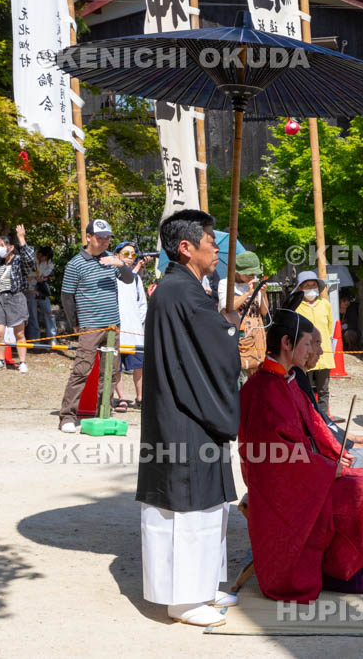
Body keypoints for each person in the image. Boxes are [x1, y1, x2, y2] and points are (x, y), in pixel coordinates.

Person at [238, 309, 363, 602]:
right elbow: (273, 453)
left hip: (308, 475)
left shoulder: (287, 380)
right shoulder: (263, 388)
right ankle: (355, 577)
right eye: (308, 344)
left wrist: (336, 453)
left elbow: (316, 426)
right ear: (287, 343)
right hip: (282, 489)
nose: (312, 351)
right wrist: (327, 469)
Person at [136, 210, 242, 627]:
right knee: (185, 508)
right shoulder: (179, 292)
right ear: (186, 247)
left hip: (193, 409)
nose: (217, 248)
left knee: (207, 504)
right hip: (184, 416)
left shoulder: (183, 289)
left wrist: (222, 327)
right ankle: (182, 599)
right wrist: (230, 331)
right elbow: (214, 350)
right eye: (211, 241)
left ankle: (202, 586)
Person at [58, 219, 135, 433]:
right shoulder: (75, 264)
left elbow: (129, 280)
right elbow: (67, 296)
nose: (103, 242)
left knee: (110, 371)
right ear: (88, 237)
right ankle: (67, 416)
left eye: (107, 238)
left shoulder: (111, 259)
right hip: (90, 324)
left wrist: (120, 264)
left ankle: (105, 411)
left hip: (113, 326)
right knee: (81, 369)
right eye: (99, 237)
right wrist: (74, 323)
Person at [301, 326, 363, 486]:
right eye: (316, 344)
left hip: (330, 443)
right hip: (320, 453)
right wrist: (348, 445)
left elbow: (324, 423)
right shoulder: (291, 382)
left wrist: (352, 437)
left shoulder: (300, 377)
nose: (321, 351)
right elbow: (315, 430)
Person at [0, 227, 35, 373]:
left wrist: (21, 238)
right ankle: (0, 360)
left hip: (16, 297)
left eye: (2, 245)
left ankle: (22, 362)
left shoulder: (19, 261)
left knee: (19, 333)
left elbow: (30, 261)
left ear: (11, 247)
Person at [112, 242, 149, 410]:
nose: (129, 257)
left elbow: (142, 304)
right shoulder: (111, 277)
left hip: (134, 330)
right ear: (117, 255)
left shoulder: (136, 279)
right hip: (116, 329)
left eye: (133, 254)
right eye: (126, 253)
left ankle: (141, 396)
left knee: (138, 365)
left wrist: (136, 321)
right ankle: (122, 397)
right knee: (116, 366)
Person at [293, 270, 334, 416]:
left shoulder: (325, 304)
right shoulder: (296, 306)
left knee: (324, 389)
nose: (311, 288)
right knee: (305, 388)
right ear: (300, 288)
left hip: (324, 353)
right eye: (307, 286)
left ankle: (323, 419)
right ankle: (308, 416)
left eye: (313, 285)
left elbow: (330, 328)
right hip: (304, 355)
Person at [34, 246, 58, 345]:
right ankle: (35, 339)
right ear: (39, 254)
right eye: (43, 257)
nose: (44, 259)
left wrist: (42, 277)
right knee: (32, 315)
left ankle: (52, 338)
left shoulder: (48, 262)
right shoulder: (31, 257)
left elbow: (48, 272)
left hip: (42, 287)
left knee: (48, 313)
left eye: (46, 258)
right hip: (30, 287)